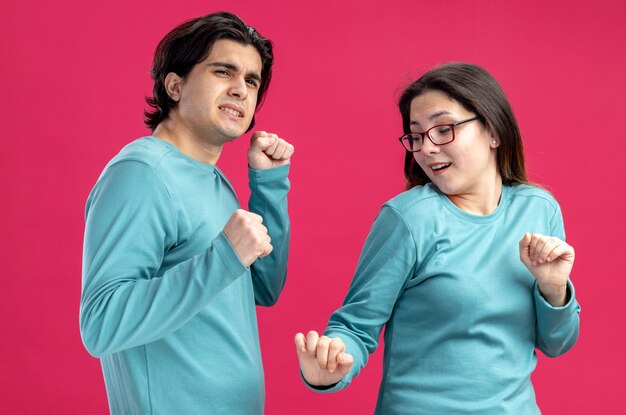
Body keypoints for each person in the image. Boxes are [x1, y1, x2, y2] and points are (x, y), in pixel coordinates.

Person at [295, 62, 580, 414]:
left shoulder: (539, 209)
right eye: (416, 135)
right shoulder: (409, 219)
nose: (426, 149)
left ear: (494, 131)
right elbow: (355, 327)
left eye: (443, 129)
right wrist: (328, 367)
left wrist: (554, 289)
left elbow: (556, 343)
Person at [80, 12, 294, 414]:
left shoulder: (214, 181)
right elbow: (101, 324)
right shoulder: (142, 174)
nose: (241, 90)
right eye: (223, 71)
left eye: (252, 80)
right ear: (175, 85)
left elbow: (264, 289)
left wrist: (268, 187)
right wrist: (224, 256)